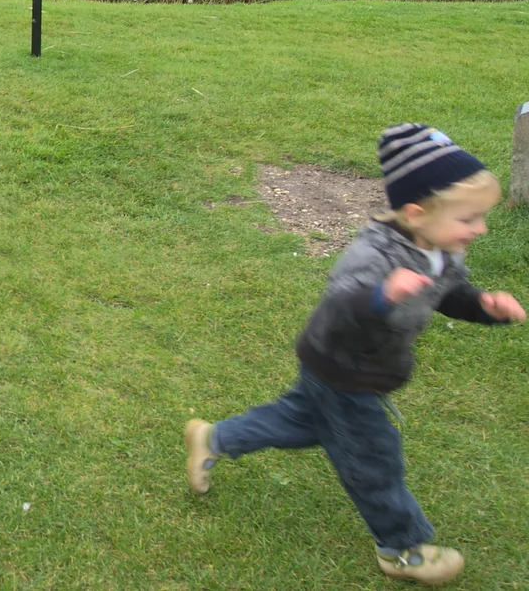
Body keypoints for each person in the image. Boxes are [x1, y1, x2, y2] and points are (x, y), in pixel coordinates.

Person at [184, 125, 523, 587]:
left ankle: (214, 438)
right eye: (469, 219)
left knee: (301, 421)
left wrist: (482, 307)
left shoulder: (439, 248)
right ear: (416, 212)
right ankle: (401, 549)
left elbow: (449, 293)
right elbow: (340, 309)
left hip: (347, 369)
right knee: (373, 460)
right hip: (346, 369)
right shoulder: (373, 255)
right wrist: (381, 296)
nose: (480, 228)